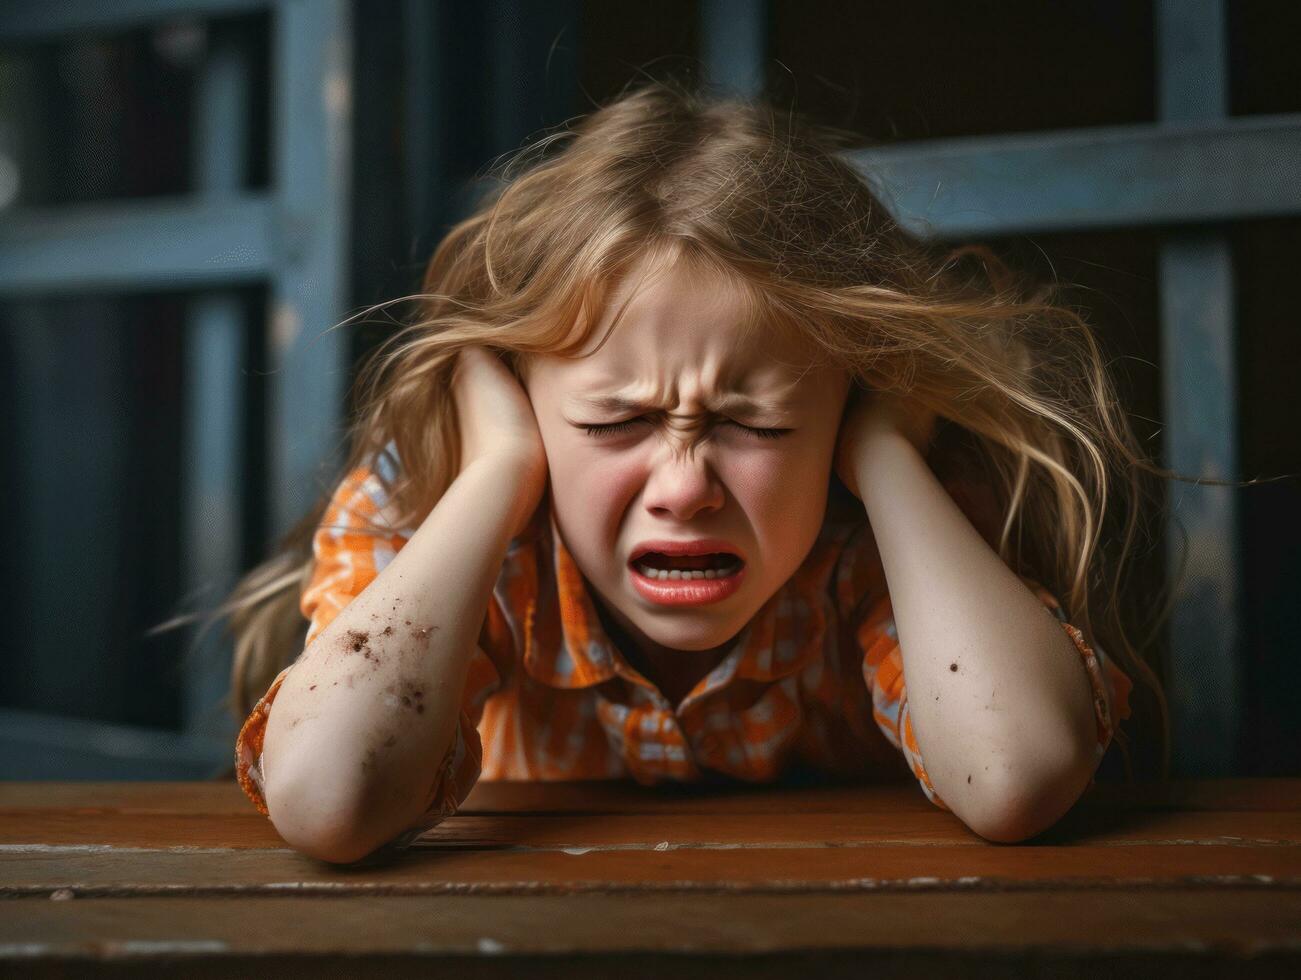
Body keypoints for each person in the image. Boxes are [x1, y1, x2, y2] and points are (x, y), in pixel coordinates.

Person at [204, 81, 1178, 864]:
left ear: (848, 408)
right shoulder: (433, 500)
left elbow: (1016, 774)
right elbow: (327, 800)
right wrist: (498, 471)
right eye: (614, 419)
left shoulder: (888, 530)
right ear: (512, 394)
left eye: (753, 424)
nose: (682, 488)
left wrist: (882, 453)